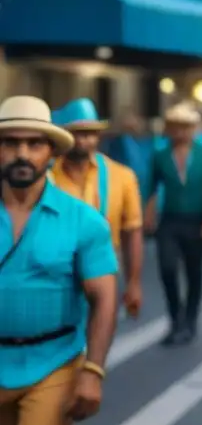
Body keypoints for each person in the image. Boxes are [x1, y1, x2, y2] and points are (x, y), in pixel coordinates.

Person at [0, 96, 119, 425]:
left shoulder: (82, 221)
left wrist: (93, 371)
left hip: (54, 362)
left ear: (50, 152)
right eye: (10, 143)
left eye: (34, 144)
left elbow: (104, 297)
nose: (22, 154)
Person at [51, 98, 145, 318]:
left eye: (91, 133)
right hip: (54, 271)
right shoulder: (46, 176)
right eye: (76, 133)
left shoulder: (122, 176)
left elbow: (132, 231)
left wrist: (133, 283)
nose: (84, 140)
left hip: (103, 269)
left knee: (98, 337)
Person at [144, 103, 202, 346]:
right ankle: (175, 319)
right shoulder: (160, 155)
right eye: (175, 127)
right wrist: (147, 212)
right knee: (167, 268)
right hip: (169, 219)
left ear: (193, 129)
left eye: (185, 127)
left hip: (196, 219)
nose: (180, 133)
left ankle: (190, 321)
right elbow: (151, 187)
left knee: (193, 271)